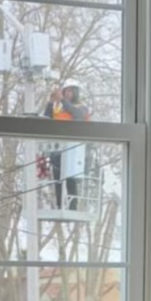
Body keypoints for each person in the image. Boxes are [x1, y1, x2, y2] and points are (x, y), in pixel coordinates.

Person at [43, 79, 92, 210]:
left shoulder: (81, 107)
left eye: (71, 91)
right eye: (66, 91)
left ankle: (72, 206)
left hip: (74, 149)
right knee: (58, 177)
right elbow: (47, 119)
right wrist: (51, 102)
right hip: (58, 148)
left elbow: (78, 116)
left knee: (71, 178)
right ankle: (60, 204)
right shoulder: (58, 108)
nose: (68, 94)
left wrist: (63, 101)